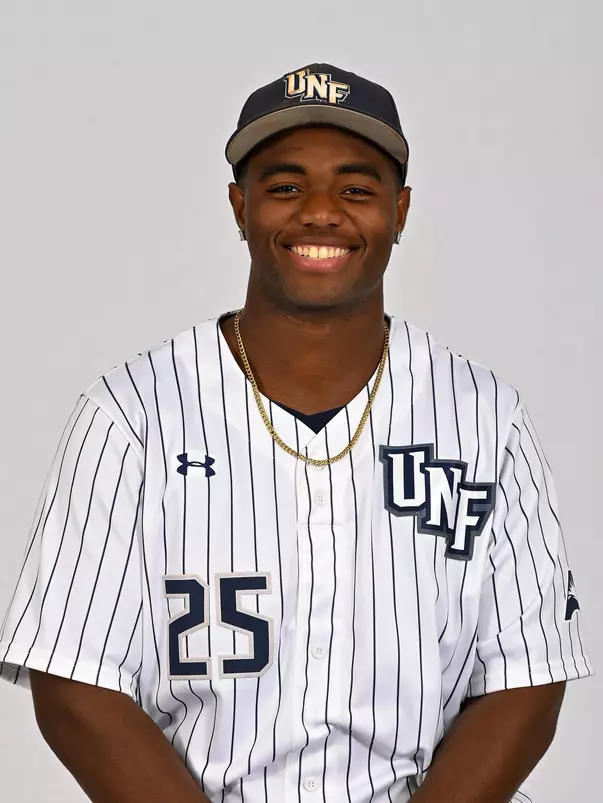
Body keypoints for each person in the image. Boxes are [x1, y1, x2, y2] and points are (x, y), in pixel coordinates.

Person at [0, 62, 593, 803]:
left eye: (356, 188)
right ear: (238, 205)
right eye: (284, 187)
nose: (320, 212)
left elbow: (525, 676)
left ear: (400, 211)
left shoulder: (483, 415)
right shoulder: (132, 414)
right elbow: (73, 680)